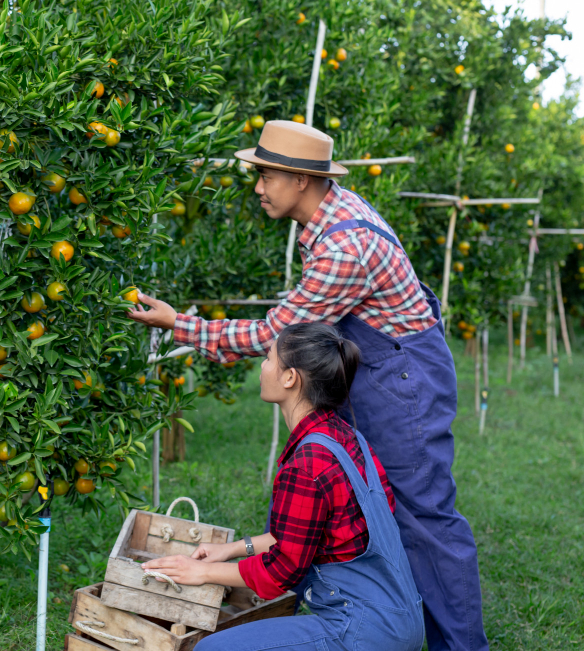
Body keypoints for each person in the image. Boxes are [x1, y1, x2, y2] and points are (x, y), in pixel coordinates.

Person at [129, 121, 487, 651]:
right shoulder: (333, 216)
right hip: (383, 367)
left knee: (425, 517)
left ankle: (458, 646)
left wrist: (180, 325)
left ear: (300, 180)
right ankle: (384, 619)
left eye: (266, 174)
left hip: (401, 378)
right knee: (366, 507)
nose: (257, 186)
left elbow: (278, 335)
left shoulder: (343, 246)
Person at [143, 323, 424, 651]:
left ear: (290, 377)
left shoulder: (307, 463)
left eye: (269, 359)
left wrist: (202, 572)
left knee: (210, 649)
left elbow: (281, 573)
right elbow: (303, 536)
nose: (262, 367)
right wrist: (233, 549)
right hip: (402, 620)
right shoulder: (348, 438)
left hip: (360, 630)